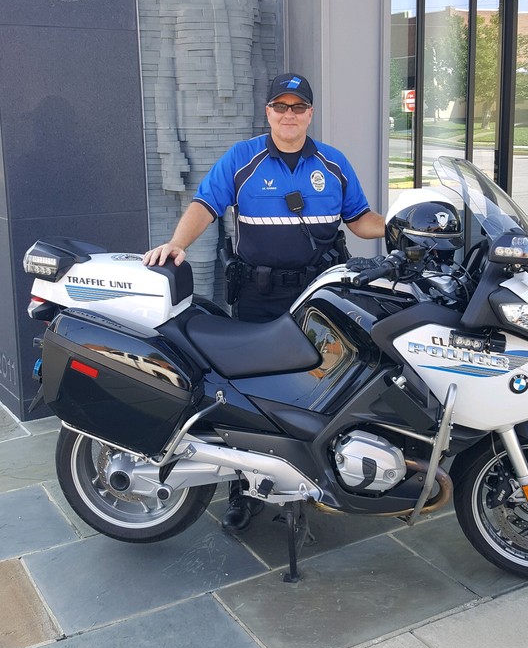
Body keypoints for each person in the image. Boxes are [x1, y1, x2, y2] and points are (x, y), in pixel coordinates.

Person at [144, 73, 385, 529]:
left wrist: (398, 228)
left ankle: (308, 480)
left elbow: (359, 219)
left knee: (316, 387)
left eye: (298, 107)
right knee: (248, 395)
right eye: (281, 106)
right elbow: (205, 205)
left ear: (310, 114)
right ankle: (243, 492)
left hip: (320, 298)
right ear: (268, 111)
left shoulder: (333, 163)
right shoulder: (243, 158)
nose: (289, 115)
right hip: (260, 295)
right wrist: (177, 244)